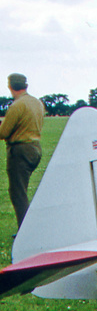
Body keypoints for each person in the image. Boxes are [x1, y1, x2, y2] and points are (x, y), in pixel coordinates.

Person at [1, 73, 45, 228]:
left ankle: (25, 232)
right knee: (22, 191)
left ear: (10, 86)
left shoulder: (16, 105)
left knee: (18, 195)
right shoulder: (37, 103)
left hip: (19, 151)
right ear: (25, 85)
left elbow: (3, 133)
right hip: (35, 149)